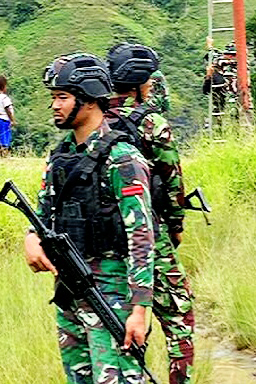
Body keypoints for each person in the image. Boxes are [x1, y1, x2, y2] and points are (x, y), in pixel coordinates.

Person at [24, 53, 154, 384]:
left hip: (111, 293)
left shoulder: (122, 158)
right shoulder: (61, 155)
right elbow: (43, 212)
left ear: (89, 99)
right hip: (68, 289)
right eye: (53, 97)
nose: (55, 105)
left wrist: (139, 310)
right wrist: (31, 238)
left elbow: (141, 236)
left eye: (62, 97)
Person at [106, 44, 196, 384]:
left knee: (119, 316)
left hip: (105, 237)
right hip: (147, 232)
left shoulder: (96, 117)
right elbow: (173, 178)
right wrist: (175, 224)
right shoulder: (152, 122)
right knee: (179, 315)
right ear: (144, 81)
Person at [203, 41, 238, 126]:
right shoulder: (216, 72)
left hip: (235, 105)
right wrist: (208, 76)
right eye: (229, 55)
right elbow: (206, 90)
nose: (231, 57)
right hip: (222, 107)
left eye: (234, 55)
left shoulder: (239, 69)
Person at [0, 74, 16, 156]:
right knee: (5, 138)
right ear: (4, 86)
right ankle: (5, 155)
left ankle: (0, 154)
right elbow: (7, 108)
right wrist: (12, 120)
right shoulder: (5, 98)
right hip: (4, 120)